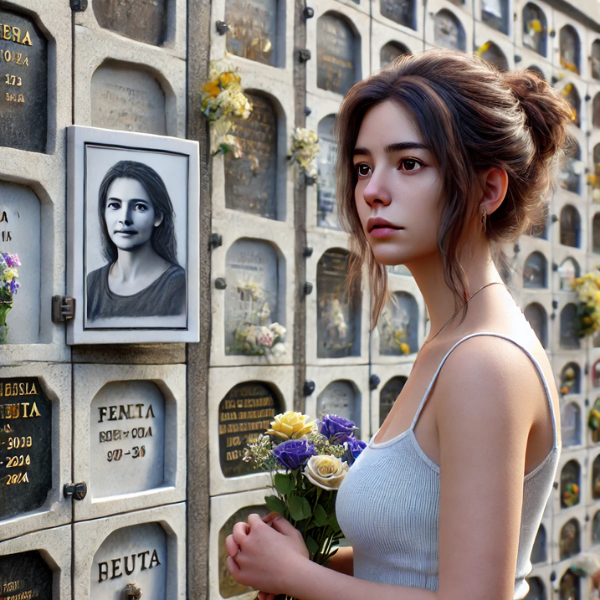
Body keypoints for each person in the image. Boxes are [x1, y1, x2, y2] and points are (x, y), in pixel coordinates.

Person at [224, 49, 572, 600]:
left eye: (408, 163)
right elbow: (417, 560)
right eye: (364, 167)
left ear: (488, 189)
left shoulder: (485, 361)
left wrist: (298, 578)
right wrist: (303, 561)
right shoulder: (450, 341)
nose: (371, 191)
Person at [86, 160, 186, 321]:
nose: (124, 219)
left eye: (139, 207)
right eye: (115, 205)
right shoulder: (92, 283)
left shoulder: (178, 284)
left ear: (158, 217)